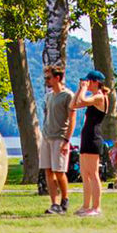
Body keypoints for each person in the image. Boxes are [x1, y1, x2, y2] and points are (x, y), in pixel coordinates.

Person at [72, 71, 114, 217]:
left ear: (96, 82)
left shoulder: (99, 97)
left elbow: (83, 99)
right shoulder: (93, 97)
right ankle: (85, 206)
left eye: (89, 81)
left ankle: (96, 207)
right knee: (85, 174)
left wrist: (83, 89)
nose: (87, 84)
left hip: (93, 138)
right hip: (86, 136)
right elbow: (74, 104)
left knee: (93, 174)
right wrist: (79, 89)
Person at [40, 66, 75, 215]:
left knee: (59, 171)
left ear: (57, 78)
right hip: (47, 137)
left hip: (60, 138)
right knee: (48, 171)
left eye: (48, 78)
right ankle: (54, 203)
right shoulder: (48, 96)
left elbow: (72, 118)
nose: (46, 81)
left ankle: (64, 200)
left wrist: (67, 140)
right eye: (45, 78)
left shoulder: (68, 96)